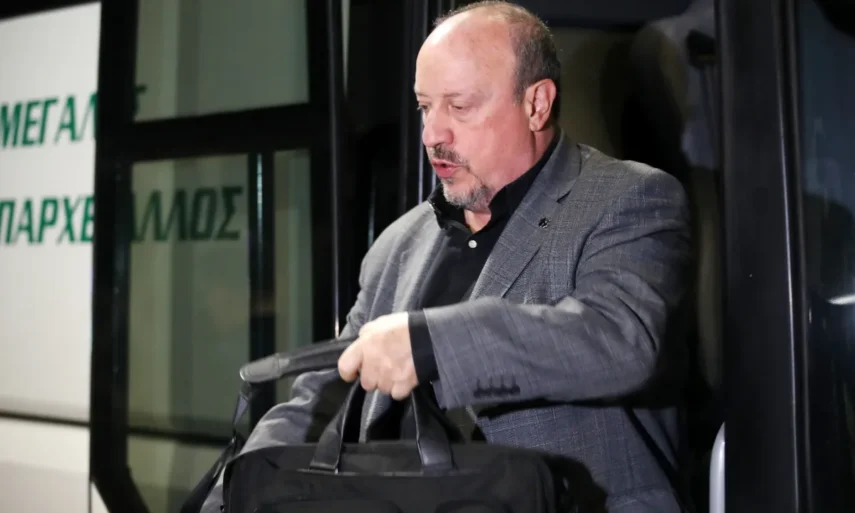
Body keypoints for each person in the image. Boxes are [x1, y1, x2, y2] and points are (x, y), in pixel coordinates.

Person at [202, 1, 693, 512]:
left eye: (459, 107)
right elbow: (322, 397)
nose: (433, 134)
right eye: (424, 107)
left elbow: (620, 339)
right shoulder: (399, 242)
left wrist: (431, 343)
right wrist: (228, 497)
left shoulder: (629, 199)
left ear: (536, 104)